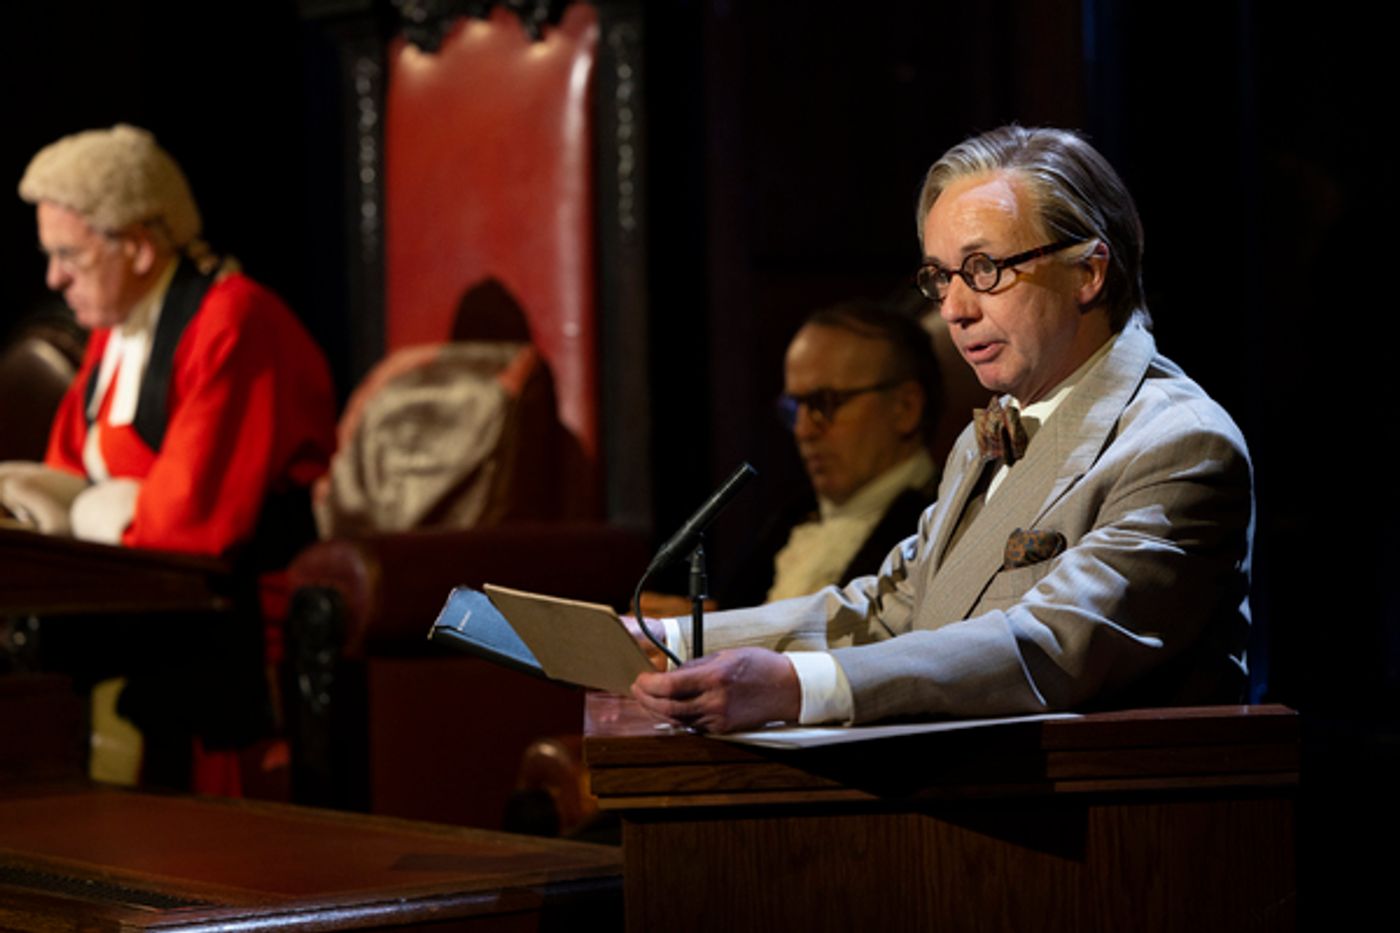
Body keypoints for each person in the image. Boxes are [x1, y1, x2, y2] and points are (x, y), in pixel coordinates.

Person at [630, 125, 1253, 733]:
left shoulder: (1180, 444)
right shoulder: (987, 433)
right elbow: (892, 606)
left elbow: (1051, 644)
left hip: (1102, 822)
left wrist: (796, 686)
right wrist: (675, 640)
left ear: (1088, 273)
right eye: (941, 277)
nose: (955, 309)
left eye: (984, 268)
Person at [1, 124, 335, 565]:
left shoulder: (231, 320)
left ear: (138, 248)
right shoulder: (115, 325)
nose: (54, 278)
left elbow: (194, 519)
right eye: (50, 255)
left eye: (71, 256)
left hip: (242, 603)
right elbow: (71, 463)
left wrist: (95, 515)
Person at [719, 301, 941, 608]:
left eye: (825, 403)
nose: (802, 430)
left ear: (906, 408)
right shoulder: (789, 518)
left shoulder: (940, 523)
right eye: (795, 408)